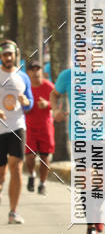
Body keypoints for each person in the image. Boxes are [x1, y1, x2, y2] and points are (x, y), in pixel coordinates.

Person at [51, 59, 105, 234]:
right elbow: (54, 95)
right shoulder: (67, 76)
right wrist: (55, 110)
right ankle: (91, 227)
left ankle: (97, 208)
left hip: (103, 135)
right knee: (86, 180)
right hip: (80, 136)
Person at [0, 40, 33, 223]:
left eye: (10, 54)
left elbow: (30, 101)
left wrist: (26, 102)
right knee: (1, 171)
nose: (8, 57)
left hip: (17, 126)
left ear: (15, 55)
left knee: (17, 167)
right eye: (5, 54)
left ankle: (13, 212)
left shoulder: (23, 77)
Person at [24, 61, 55, 195]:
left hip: (45, 127)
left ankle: (42, 184)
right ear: (28, 72)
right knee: (30, 157)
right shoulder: (25, 87)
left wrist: (47, 104)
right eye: (32, 69)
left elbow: (57, 104)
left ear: (41, 71)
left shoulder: (49, 86)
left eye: (38, 69)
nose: (36, 72)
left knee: (44, 157)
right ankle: (31, 175)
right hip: (29, 128)